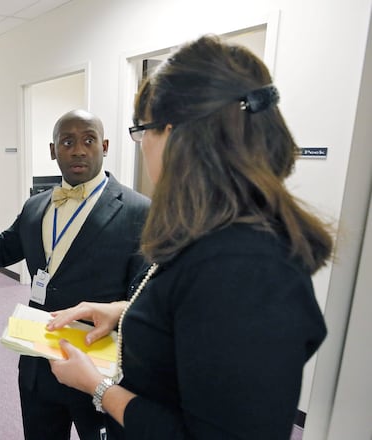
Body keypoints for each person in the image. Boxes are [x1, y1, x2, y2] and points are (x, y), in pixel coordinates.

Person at [45, 35, 334, 439]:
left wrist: (99, 388)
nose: (142, 144)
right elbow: (198, 327)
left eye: (143, 130)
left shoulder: (244, 267)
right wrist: (126, 313)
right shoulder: (215, 229)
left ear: (179, 134)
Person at [0, 109, 150, 440]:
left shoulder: (138, 210)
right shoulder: (36, 207)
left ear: (104, 146)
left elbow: (144, 300)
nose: (78, 150)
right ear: (52, 150)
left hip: (97, 365)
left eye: (89, 140)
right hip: (37, 361)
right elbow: (0, 250)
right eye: (67, 142)